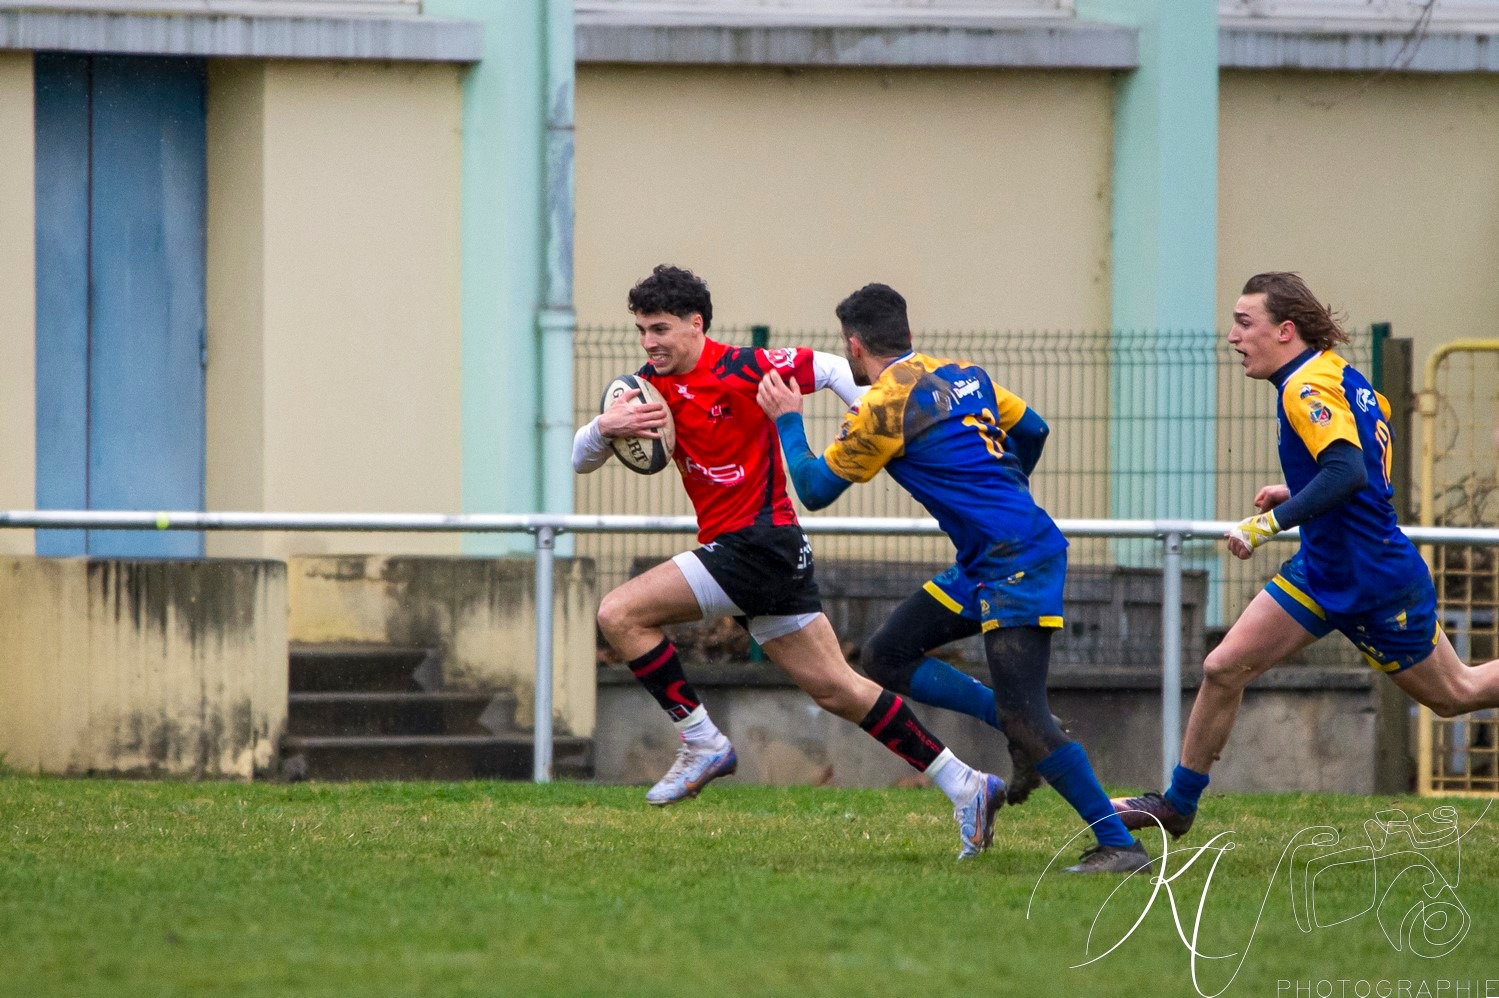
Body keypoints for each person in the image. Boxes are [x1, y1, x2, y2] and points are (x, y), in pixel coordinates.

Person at [573, 265, 1004, 859]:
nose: (649, 342)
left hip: (757, 545)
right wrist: (605, 426)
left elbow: (828, 368)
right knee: (839, 689)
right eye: (642, 330)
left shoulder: (741, 367)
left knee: (619, 613)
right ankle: (967, 784)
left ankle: (701, 741)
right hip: (767, 554)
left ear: (696, 325)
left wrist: (872, 414)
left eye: (661, 329)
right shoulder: (646, 390)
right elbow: (580, 459)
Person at [756, 281, 1150, 875]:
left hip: (1016, 562)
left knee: (1027, 715)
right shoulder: (966, 375)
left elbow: (813, 489)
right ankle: (1020, 726)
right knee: (887, 655)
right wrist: (1004, 490)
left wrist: (788, 421)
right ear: (908, 334)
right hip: (992, 558)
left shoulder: (880, 409)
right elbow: (1034, 429)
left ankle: (1119, 844)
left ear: (854, 345)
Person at [1112, 272, 1499, 838]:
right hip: (1321, 571)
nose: (1233, 337)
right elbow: (1360, 462)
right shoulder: (1336, 373)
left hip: (1374, 580)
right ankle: (1178, 804)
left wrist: (1267, 524)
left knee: (1456, 694)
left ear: (1285, 330)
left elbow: (1347, 472)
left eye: (1245, 323)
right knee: (1223, 667)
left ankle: (1177, 803)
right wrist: (1297, 490)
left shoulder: (1304, 388)